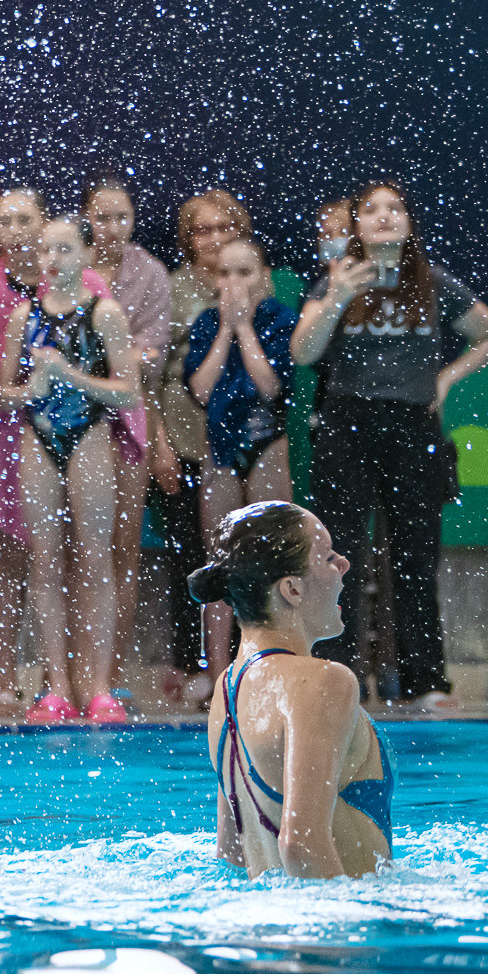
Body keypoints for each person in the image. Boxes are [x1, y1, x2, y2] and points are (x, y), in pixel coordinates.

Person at [292, 182, 488, 716]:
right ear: (357, 226)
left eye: (396, 209)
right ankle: (342, 676)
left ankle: (424, 677)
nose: (385, 217)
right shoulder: (335, 280)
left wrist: (447, 378)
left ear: (408, 223)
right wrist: (337, 296)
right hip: (347, 422)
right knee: (341, 558)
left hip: (412, 427)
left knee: (414, 557)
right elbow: (302, 352)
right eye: (371, 210)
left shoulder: (431, 282)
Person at [0, 215, 140, 724]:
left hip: (91, 435)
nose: (53, 260)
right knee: (45, 559)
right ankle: (56, 687)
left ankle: (99, 687)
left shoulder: (104, 314)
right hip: (39, 438)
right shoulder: (22, 316)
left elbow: (129, 392)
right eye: (45, 251)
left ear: (85, 257)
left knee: (95, 558)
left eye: (64, 250)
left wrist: (71, 376)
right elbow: (6, 392)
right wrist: (29, 392)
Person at [201, 502, 391, 879]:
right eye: (327, 558)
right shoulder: (322, 681)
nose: (343, 566)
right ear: (292, 589)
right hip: (333, 924)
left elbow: (232, 853)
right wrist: (338, 932)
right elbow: (301, 843)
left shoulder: (226, 689)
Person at [185, 237, 298, 691]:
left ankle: (276, 670)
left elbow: (270, 386)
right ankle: (219, 677)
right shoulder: (206, 323)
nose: (234, 283)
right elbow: (202, 390)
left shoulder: (280, 319)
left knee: (275, 561)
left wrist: (247, 330)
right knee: (221, 563)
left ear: (264, 278)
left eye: (244, 273)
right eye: (225, 273)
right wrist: (227, 331)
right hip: (222, 448)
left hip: (267, 442)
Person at [155, 189, 252, 705]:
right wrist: (161, 444)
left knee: (247, 554)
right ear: (186, 240)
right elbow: (155, 377)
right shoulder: (175, 289)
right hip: (187, 432)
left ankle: (247, 659)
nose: (214, 240)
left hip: (242, 436)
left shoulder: (257, 281)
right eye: (202, 230)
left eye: (224, 227)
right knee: (189, 555)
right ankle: (193, 660)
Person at [84, 181, 170, 688]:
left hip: (131, 421)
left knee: (123, 549)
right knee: (82, 551)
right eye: (102, 218)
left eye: (121, 217)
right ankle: (76, 675)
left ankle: (111, 672)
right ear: (86, 219)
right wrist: (115, 361)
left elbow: (148, 367)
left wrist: (105, 363)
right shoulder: (74, 267)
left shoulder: (151, 274)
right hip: (76, 419)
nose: (112, 228)